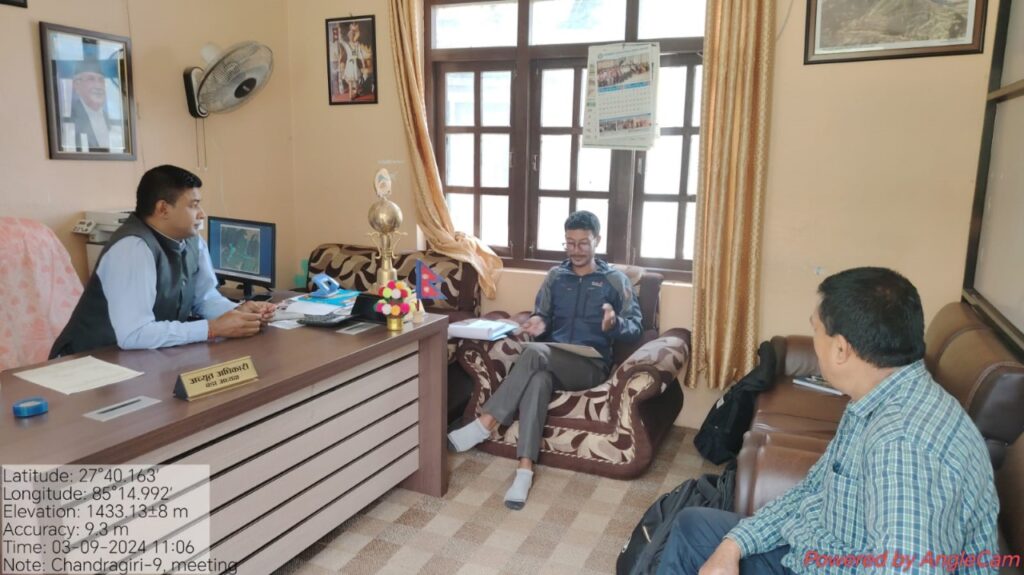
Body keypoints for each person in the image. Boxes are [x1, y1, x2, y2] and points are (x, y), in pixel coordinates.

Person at [657, 267, 999, 575]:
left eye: (816, 329)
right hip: (823, 550)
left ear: (840, 349)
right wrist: (734, 545)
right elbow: (812, 490)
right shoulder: (875, 399)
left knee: (691, 541)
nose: (814, 342)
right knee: (692, 528)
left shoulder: (903, 447)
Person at [447, 211, 643, 509]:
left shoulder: (614, 280)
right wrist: (538, 322)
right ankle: (524, 470)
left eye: (583, 243)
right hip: (552, 359)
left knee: (534, 353)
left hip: (591, 365)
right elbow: (542, 314)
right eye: (570, 243)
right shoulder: (555, 277)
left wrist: (614, 324)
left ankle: (486, 422)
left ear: (597, 241)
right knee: (538, 379)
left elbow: (636, 327)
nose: (576, 250)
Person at [50, 165, 276, 358]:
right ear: (163, 209)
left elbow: (204, 299)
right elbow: (134, 334)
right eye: (193, 205)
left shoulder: (193, 242)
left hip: (142, 357)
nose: (202, 214)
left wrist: (240, 313)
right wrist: (212, 328)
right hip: (89, 362)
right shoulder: (132, 248)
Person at [66, 60, 115, 152]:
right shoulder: (69, 118)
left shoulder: (111, 119)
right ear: (77, 85)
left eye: (101, 80)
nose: (98, 86)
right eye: (91, 79)